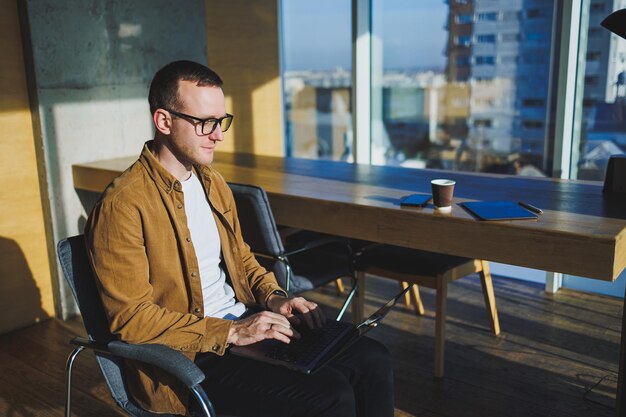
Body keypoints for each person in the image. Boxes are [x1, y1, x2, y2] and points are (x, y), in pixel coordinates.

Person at [85, 60, 394, 417]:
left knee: (372, 358)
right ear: (164, 121)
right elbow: (131, 320)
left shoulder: (210, 181)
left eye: (221, 121)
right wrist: (232, 332)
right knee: (331, 393)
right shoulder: (122, 206)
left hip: (245, 323)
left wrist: (276, 298)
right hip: (189, 357)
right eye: (204, 123)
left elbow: (242, 258)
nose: (217, 134)